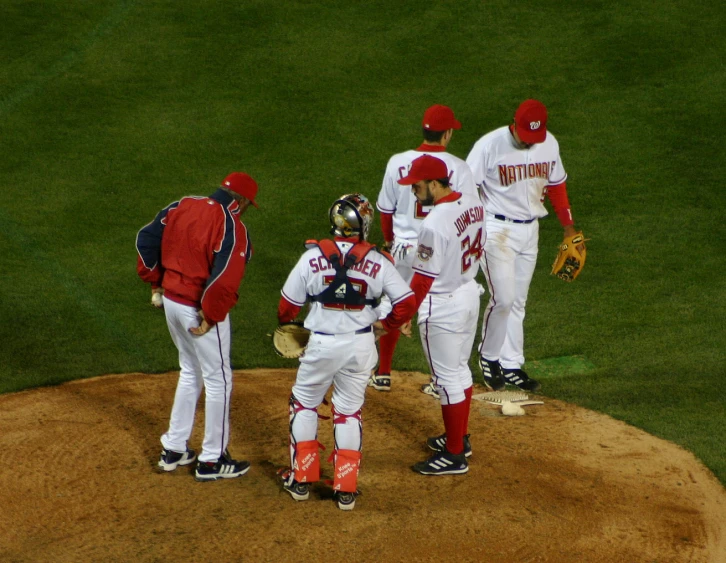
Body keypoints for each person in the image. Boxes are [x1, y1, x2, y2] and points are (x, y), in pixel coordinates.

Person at [277, 193, 417, 509]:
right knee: (348, 411)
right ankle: (346, 490)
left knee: (304, 405)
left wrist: (294, 325)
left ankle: (301, 481)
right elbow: (406, 304)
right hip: (360, 345)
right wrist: (385, 325)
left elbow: (286, 309)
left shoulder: (310, 258)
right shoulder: (379, 261)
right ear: (363, 224)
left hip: (321, 345)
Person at [136, 172, 259, 481]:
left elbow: (146, 239)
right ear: (241, 201)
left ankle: (174, 449)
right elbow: (225, 277)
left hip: (172, 304)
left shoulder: (182, 205)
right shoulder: (231, 225)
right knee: (219, 379)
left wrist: (156, 284)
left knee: (190, 370)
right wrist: (212, 315)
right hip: (197, 308)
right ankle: (212, 460)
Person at [466, 99, 584, 392]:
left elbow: (556, 184)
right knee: (503, 298)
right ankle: (488, 357)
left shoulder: (549, 144)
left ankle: (511, 364)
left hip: (531, 230)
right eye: (525, 136)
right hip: (495, 229)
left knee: (518, 300)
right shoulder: (489, 145)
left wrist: (569, 227)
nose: (530, 142)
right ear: (514, 124)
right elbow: (466, 189)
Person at [370, 104, 478, 397]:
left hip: (405, 247)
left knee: (396, 301)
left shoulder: (397, 162)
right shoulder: (459, 167)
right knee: (439, 307)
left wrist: (390, 242)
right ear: (447, 134)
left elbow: (385, 210)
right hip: (442, 247)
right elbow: (465, 212)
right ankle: (438, 380)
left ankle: (382, 373)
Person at [397, 155, 485, 475]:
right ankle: (459, 438)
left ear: (435, 184)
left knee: (446, 380)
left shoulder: (434, 223)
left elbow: (422, 280)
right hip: (468, 294)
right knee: (460, 372)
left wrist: (405, 313)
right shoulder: (473, 205)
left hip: (443, 306)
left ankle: (454, 455)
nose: (413, 192)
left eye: (418, 186)